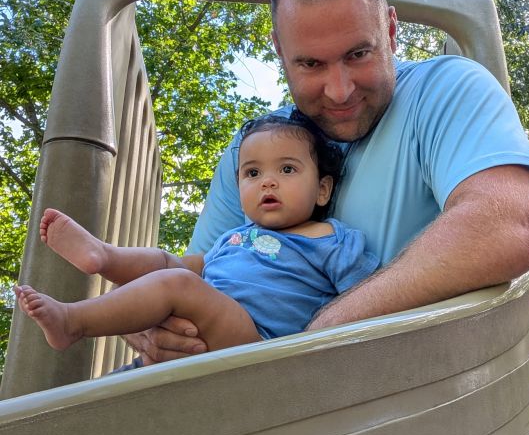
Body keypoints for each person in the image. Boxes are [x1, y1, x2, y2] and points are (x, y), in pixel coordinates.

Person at [126, 0, 529, 365]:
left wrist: (319, 339)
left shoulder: (447, 90)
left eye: (358, 54)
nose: (340, 90)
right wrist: (160, 328)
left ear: (390, 30)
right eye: (311, 64)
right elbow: (199, 278)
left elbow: (507, 228)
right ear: (279, 51)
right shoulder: (253, 148)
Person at [15, 113, 379, 357]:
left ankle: (73, 322)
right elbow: (182, 266)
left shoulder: (331, 238)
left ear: (322, 189)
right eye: (252, 174)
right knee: (165, 264)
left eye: (287, 169)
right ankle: (104, 256)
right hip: (202, 333)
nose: (267, 181)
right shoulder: (235, 238)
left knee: (177, 283)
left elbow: (370, 298)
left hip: (262, 345)